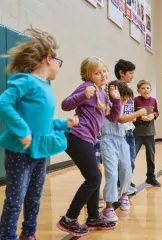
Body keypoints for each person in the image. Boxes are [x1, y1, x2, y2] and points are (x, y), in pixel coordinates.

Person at [0, 27, 78, 240]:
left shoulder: (45, 86)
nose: (59, 68)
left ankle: (29, 234)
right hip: (21, 151)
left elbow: (43, 122)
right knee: (15, 200)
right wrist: (22, 130)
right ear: (49, 59)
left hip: (40, 152)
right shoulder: (25, 81)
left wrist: (64, 124)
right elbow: (3, 103)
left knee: (34, 198)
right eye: (59, 62)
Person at [56, 56, 121, 237]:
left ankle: (93, 217)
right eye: (97, 72)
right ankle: (69, 219)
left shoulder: (103, 92)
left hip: (87, 140)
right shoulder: (87, 87)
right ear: (88, 75)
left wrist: (116, 100)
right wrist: (82, 96)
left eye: (104, 71)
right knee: (93, 178)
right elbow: (65, 104)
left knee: (95, 177)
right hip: (77, 136)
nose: (102, 75)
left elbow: (113, 118)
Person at [100, 80, 147, 221]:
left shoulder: (125, 105)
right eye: (123, 98)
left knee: (127, 169)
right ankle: (108, 207)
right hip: (108, 140)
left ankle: (124, 195)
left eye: (126, 99)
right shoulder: (106, 104)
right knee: (112, 174)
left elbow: (126, 123)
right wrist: (140, 112)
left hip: (122, 139)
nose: (125, 101)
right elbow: (119, 119)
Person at [114, 59, 138, 194]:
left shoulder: (129, 91)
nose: (132, 76)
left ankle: (126, 182)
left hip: (129, 130)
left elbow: (128, 111)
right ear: (121, 73)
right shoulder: (115, 90)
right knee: (122, 161)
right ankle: (120, 184)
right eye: (130, 73)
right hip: (120, 132)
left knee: (131, 160)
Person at [134, 80, 161, 187]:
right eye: (143, 88)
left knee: (151, 156)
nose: (145, 90)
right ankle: (127, 179)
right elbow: (131, 114)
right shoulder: (135, 100)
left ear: (150, 89)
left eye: (147, 88)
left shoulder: (153, 100)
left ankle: (151, 177)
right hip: (137, 133)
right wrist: (141, 117)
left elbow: (157, 112)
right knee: (132, 156)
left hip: (150, 133)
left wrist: (153, 115)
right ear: (138, 90)